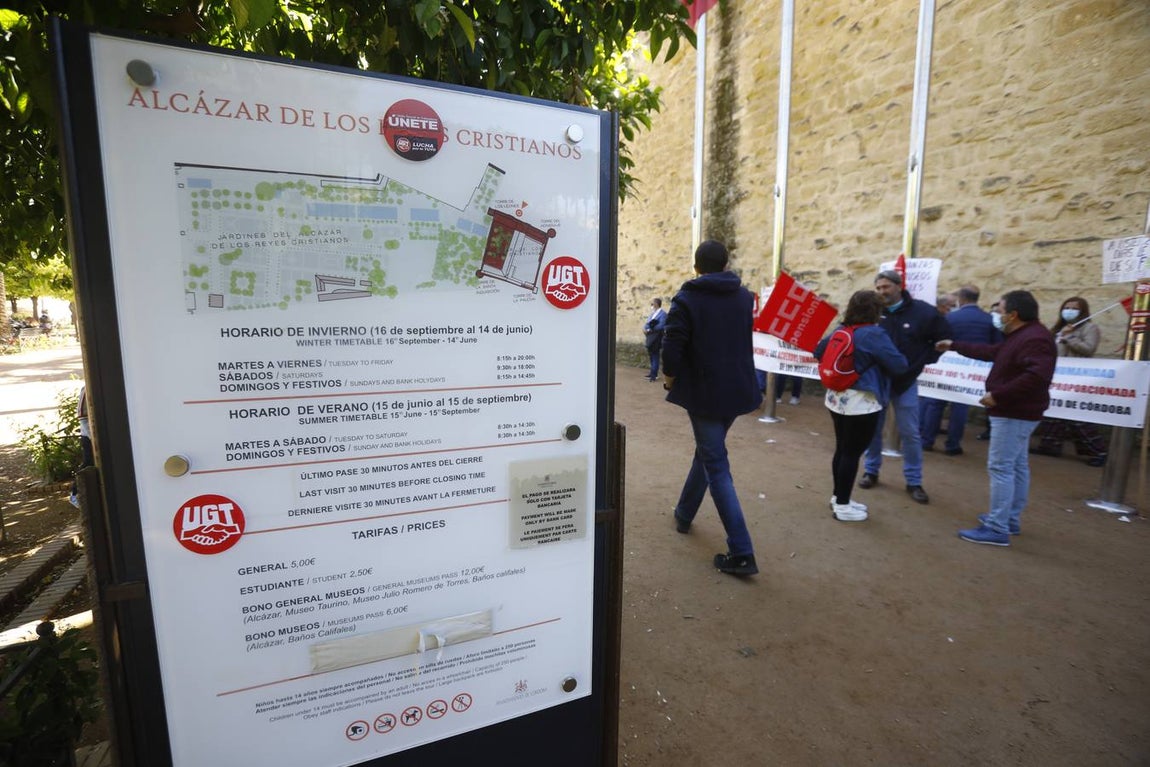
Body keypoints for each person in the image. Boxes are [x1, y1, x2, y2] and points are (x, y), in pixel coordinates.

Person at [663, 240, 763, 576]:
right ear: (725, 265)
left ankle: (742, 551)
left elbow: (672, 348)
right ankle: (684, 513)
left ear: (696, 267)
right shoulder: (745, 297)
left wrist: (670, 379)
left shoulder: (687, 298)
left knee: (716, 464)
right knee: (708, 453)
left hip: (704, 393)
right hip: (737, 390)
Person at [937, 290, 1057, 545]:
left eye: (1000, 311)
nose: (996, 315)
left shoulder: (1035, 339)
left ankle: (997, 527)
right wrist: (954, 345)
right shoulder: (1023, 335)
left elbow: (1036, 376)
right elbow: (993, 352)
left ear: (1013, 314)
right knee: (1016, 465)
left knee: (1001, 467)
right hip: (1017, 411)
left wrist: (998, 395)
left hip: (1014, 411)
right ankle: (1008, 519)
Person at [857, 269, 951, 504]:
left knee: (910, 432)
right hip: (877, 381)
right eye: (878, 288)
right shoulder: (873, 312)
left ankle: (914, 480)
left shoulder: (924, 312)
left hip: (906, 382)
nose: (882, 292)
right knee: (872, 429)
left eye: (886, 286)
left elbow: (943, 339)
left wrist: (923, 360)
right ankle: (871, 471)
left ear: (899, 286)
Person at [815, 291, 908, 521]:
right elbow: (899, 365)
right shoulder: (874, 334)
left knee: (842, 449)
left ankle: (838, 497)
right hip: (861, 401)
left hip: (836, 397)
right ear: (875, 310)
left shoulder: (842, 329)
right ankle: (843, 506)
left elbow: (818, 351)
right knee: (852, 453)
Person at [920, 286, 1002, 455]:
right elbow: (997, 347)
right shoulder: (989, 319)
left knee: (935, 403)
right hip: (972, 371)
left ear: (961, 299)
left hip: (946, 367)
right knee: (960, 407)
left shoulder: (950, 317)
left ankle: (927, 440)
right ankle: (953, 445)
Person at [1032, 296, 1107, 466]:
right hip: (1057, 375)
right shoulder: (1058, 329)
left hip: (1076, 377)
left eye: (1074, 308)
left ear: (1083, 311)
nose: (1069, 311)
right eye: (1067, 307)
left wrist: (1069, 338)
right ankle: (1050, 445)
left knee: (1076, 415)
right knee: (1053, 410)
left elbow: (1089, 349)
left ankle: (1098, 451)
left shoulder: (1090, 328)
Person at [69, 387, 93, 508]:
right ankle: (75, 494)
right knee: (88, 463)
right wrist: (92, 437)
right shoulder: (86, 389)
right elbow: (83, 418)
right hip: (88, 436)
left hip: (93, 435)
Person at [642, 297, 667, 382]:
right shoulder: (652, 314)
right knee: (651, 355)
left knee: (655, 355)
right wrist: (645, 328)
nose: (651, 305)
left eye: (652, 303)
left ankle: (654, 375)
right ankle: (652, 372)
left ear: (656, 304)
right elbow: (647, 323)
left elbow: (661, 326)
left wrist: (650, 329)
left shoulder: (663, 314)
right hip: (650, 337)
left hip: (657, 337)